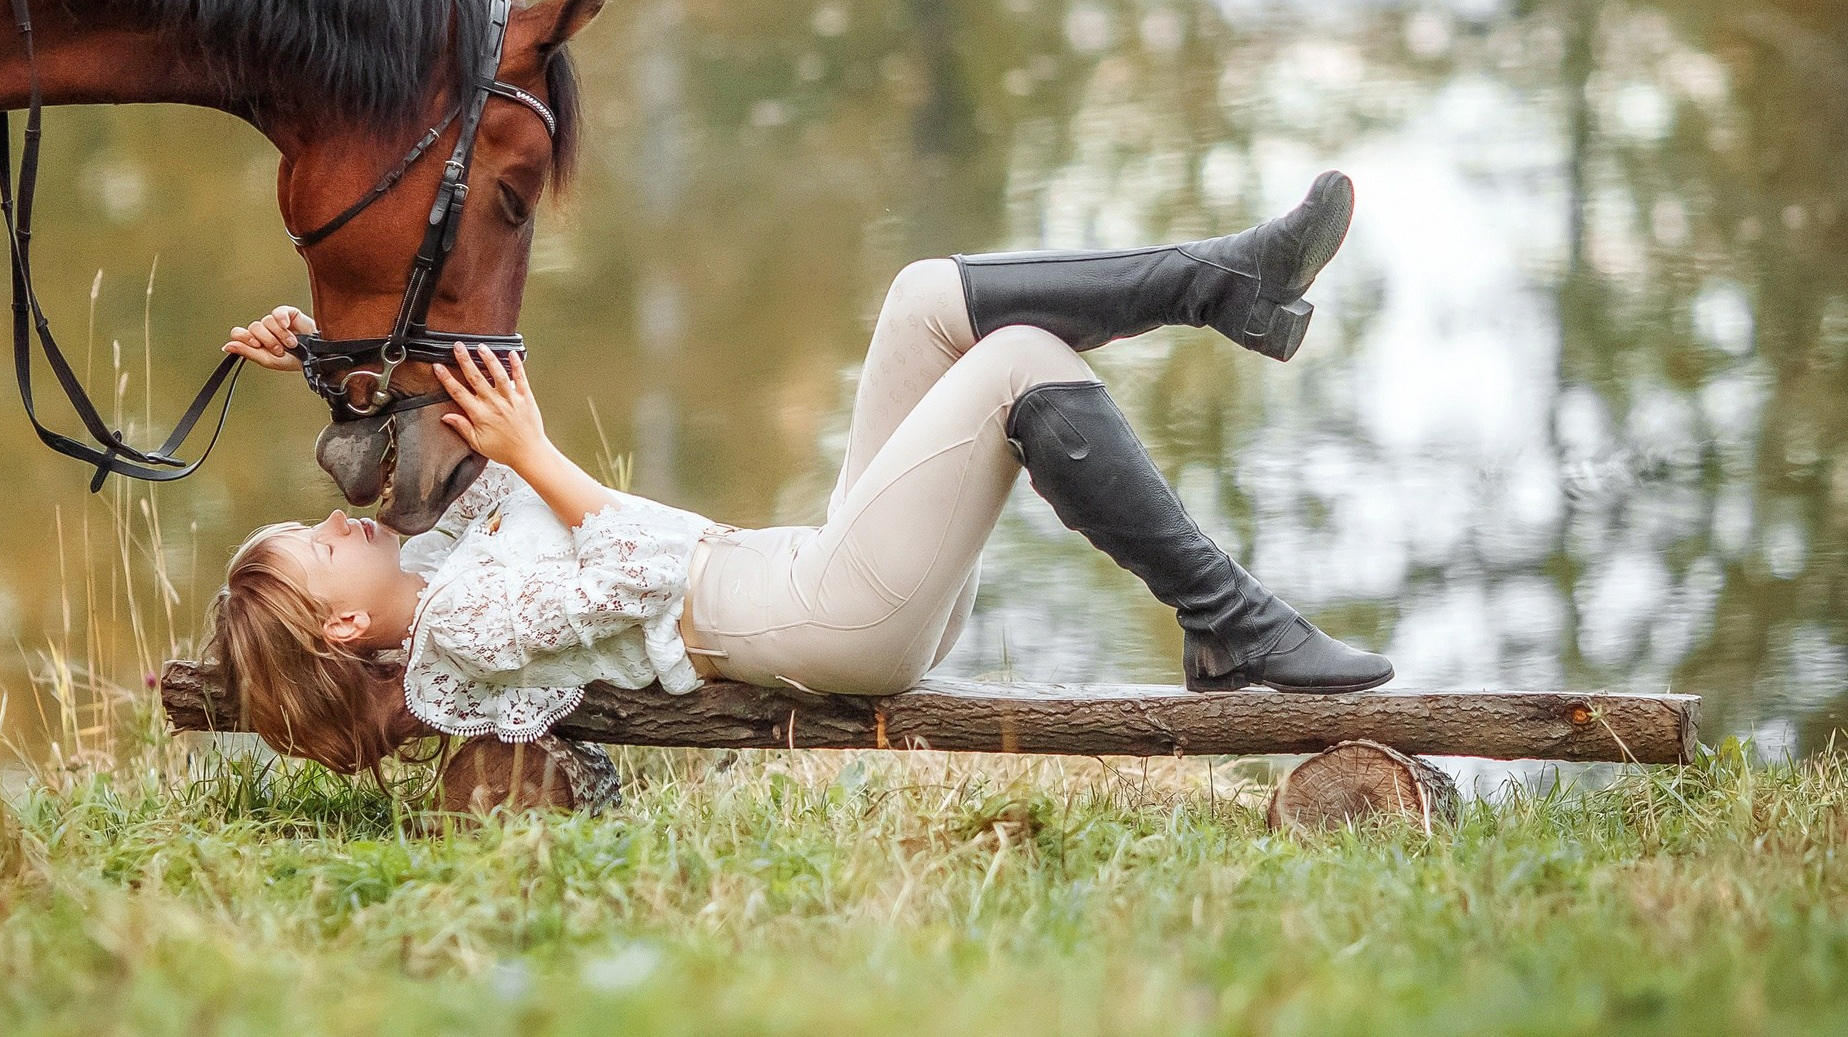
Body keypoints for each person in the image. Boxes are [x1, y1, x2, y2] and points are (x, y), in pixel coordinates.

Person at [204, 173, 1392, 774]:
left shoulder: (448, 561)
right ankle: (1228, 624)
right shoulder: (464, 622)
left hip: (815, 567)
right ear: (347, 622)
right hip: (831, 618)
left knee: (924, 295)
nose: (334, 517)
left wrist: (323, 357)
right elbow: (640, 564)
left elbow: (437, 436)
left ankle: (1213, 282)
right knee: (1017, 359)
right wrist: (540, 455)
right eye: (315, 544)